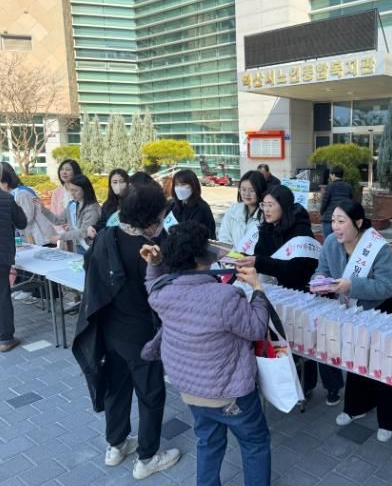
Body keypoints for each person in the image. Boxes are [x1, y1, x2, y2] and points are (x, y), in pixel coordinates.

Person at [141, 221, 271, 486]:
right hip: (230, 392)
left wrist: (154, 264)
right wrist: (258, 289)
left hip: (191, 388)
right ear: (203, 256)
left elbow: (152, 283)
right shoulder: (224, 296)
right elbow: (257, 328)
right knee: (255, 443)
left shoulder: (162, 293)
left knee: (208, 441)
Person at [71, 181, 180, 480]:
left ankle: (116, 445)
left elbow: (89, 269)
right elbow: (165, 292)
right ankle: (147, 457)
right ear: (151, 218)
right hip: (142, 334)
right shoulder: (152, 250)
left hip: (108, 330)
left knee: (116, 389)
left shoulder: (107, 236)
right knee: (151, 393)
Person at [234, 185, 338, 400]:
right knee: (296, 340)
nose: (266, 210)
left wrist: (259, 262)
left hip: (310, 293)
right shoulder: (266, 228)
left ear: (283, 206)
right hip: (285, 293)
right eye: (264, 205)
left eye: (270, 205)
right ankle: (304, 385)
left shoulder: (301, 230)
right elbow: (260, 256)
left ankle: (333, 387)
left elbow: (296, 270)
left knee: (318, 341)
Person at [312, 200, 392, 442]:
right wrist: (319, 279)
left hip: (383, 311)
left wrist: (351, 285)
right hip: (354, 312)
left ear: (358, 222)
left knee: (386, 365)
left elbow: (386, 287)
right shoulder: (331, 242)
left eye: (341, 221)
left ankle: (388, 419)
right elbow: (321, 269)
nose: (335, 227)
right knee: (358, 359)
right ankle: (356, 407)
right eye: (333, 221)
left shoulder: (378, 247)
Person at [0, 163, 27, 353]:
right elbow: (22, 222)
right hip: (2, 253)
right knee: (2, 295)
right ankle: (5, 339)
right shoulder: (7, 198)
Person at [40, 174, 101, 254]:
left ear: (85, 190)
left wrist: (61, 236)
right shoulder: (72, 205)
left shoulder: (92, 208)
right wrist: (43, 209)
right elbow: (58, 220)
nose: (72, 193)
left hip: (92, 247)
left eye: (75, 190)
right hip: (78, 246)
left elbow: (84, 231)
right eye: (71, 190)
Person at [0, 162, 56, 247]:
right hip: (33, 240)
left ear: (5, 182)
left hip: (42, 240)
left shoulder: (22, 193)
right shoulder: (13, 194)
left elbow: (26, 218)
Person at [217, 170, 266, 253]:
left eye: (251, 190)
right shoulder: (233, 209)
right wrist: (232, 256)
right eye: (243, 190)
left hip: (254, 260)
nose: (247, 194)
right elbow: (224, 236)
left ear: (260, 190)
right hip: (231, 258)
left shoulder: (266, 214)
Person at [168, 169, 216, 239]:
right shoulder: (173, 205)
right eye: (177, 184)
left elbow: (192, 235)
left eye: (183, 184)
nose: (179, 188)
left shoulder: (201, 208)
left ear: (193, 186)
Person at [87, 169, 129, 239]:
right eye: (115, 182)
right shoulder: (107, 205)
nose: (118, 185)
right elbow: (103, 223)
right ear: (110, 184)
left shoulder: (134, 202)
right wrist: (93, 228)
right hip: (111, 241)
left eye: (122, 181)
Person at [320, 166, 353, 238]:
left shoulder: (330, 186)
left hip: (329, 218)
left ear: (334, 175)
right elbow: (351, 203)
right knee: (341, 240)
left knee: (328, 241)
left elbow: (324, 202)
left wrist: (322, 212)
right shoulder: (348, 187)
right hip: (343, 218)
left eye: (331, 175)